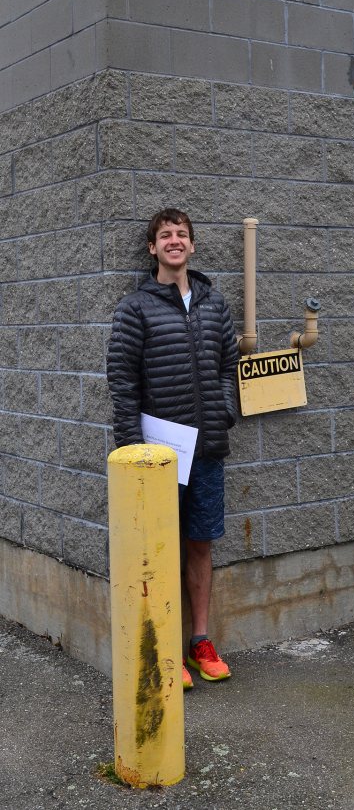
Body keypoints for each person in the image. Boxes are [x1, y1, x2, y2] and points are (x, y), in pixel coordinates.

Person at [106, 208, 239, 691]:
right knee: (160, 549)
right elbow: (122, 385)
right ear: (152, 248)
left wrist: (224, 411)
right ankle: (164, 645)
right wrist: (133, 455)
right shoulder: (135, 308)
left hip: (205, 451)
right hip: (158, 458)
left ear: (192, 246)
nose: (175, 242)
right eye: (166, 236)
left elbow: (228, 367)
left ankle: (199, 641)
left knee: (200, 543)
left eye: (182, 235)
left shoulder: (214, 304)